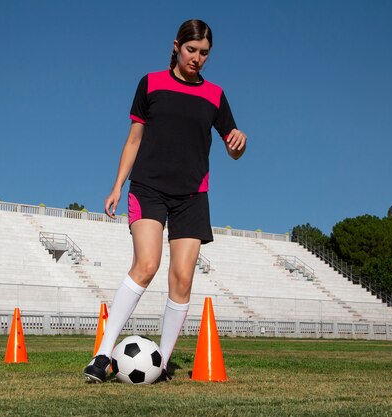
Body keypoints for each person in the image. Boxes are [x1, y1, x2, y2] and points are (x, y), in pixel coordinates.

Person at [84, 19, 247, 383]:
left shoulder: (216, 96)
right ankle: (102, 354)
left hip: (193, 196)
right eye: (192, 50)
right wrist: (117, 186)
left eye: (205, 53)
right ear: (176, 46)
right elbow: (134, 139)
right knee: (146, 264)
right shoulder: (151, 83)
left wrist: (239, 142)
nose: (198, 59)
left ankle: (160, 363)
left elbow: (232, 148)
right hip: (148, 189)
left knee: (183, 279)